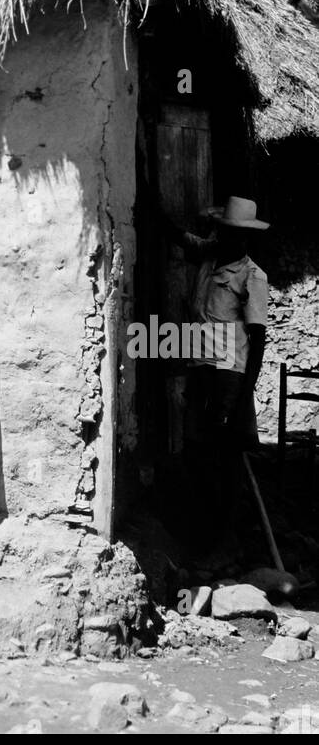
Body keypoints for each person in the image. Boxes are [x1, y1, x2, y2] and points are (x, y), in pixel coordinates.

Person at [161, 195, 269, 549]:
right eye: (224, 231)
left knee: (225, 457)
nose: (228, 239)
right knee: (195, 449)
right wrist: (150, 202)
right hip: (199, 366)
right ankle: (201, 529)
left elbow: (258, 338)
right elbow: (180, 237)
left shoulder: (252, 276)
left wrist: (243, 394)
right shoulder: (209, 254)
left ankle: (224, 537)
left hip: (229, 374)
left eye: (235, 234)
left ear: (246, 238)